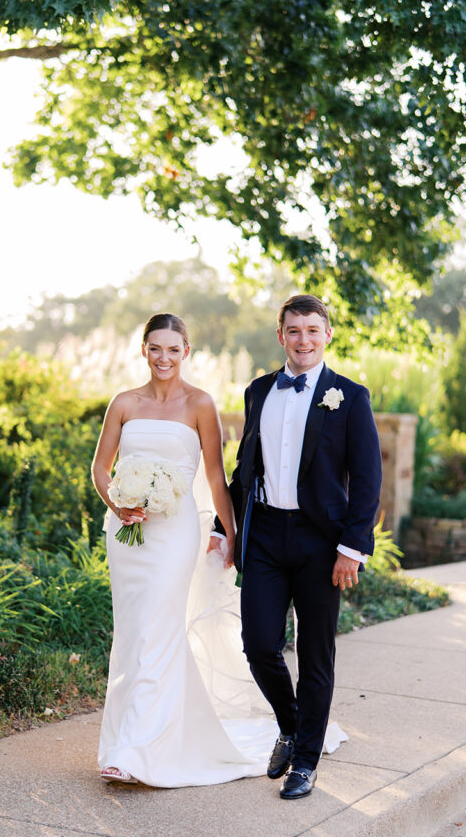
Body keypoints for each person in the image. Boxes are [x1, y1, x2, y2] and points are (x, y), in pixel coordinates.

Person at [91, 312, 277, 787]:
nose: (164, 357)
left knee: (157, 629)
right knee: (132, 633)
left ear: (186, 352)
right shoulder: (124, 402)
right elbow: (100, 469)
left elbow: (216, 476)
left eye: (174, 349)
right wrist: (119, 502)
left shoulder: (200, 404)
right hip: (126, 534)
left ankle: (133, 748)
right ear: (143, 350)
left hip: (174, 536)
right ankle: (129, 740)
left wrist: (231, 533)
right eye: (156, 348)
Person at [214, 294, 381, 800]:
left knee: (315, 653)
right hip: (264, 535)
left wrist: (353, 546)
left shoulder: (349, 397)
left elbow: (368, 478)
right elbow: (246, 466)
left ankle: (305, 762)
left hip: (321, 543)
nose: (303, 340)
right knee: (259, 645)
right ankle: (291, 725)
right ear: (280, 335)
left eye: (312, 330)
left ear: (327, 334)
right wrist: (226, 529)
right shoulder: (259, 390)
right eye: (293, 330)